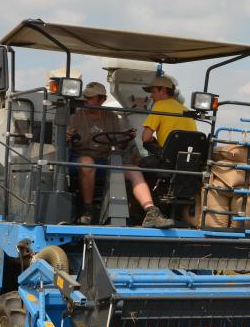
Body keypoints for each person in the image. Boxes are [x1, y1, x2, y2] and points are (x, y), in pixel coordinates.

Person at [68, 82, 173, 228]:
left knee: (134, 170)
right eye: (85, 97)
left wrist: (125, 138)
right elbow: (64, 141)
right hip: (79, 159)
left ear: (102, 99)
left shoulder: (111, 117)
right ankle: (87, 210)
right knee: (87, 162)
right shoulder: (75, 118)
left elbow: (118, 145)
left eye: (90, 98)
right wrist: (67, 137)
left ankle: (151, 212)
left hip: (104, 161)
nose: (86, 100)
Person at [141, 76, 198, 150]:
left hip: (169, 154)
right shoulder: (185, 109)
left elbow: (145, 138)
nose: (151, 96)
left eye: (153, 91)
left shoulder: (159, 105)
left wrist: (152, 140)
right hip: (191, 153)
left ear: (163, 90)